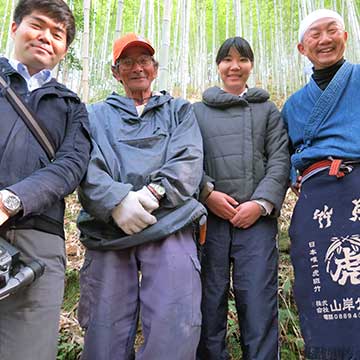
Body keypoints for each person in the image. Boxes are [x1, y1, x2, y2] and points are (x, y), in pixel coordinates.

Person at [76, 33, 206, 360]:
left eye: (144, 60)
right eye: (128, 62)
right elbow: (85, 168)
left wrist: (151, 194)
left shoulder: (179, 110)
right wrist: (117, 201)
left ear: (155, 68)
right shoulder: (94, 116)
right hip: (108, 230)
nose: (137, 68)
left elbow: (189, 160)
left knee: (174, 324)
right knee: (103, 329)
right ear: (115, 71)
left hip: (170, 223)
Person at [0, 1, 91, 359]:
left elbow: (71, 165)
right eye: (37, 25)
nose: (46, 38)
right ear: (14, 27)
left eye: (58, 34)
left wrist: (10, 200)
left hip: (37, 243)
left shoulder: (71, 106)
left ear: (64, 49)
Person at [193, 37, 289, 360]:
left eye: (243, 59)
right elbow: (188, 159)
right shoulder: (197, 112)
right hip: (211, 224)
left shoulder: (268, 111)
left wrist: (260, 204)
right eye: (227, 59)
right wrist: (208, 194)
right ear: (218, 65)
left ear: (251, 65)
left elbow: (279, 160)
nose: (235, 66)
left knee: (259, 307)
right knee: (209, 303)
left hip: (256, 225)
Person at [282, 9, 360, 359]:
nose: (325, 39)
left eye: (333, 31)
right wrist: (293, 177)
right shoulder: (294, 105)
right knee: (322, 286)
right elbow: (282, 155)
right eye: (315, 34)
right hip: (317, 199)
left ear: (346, 37)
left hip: (357, 186)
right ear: (302, 48)